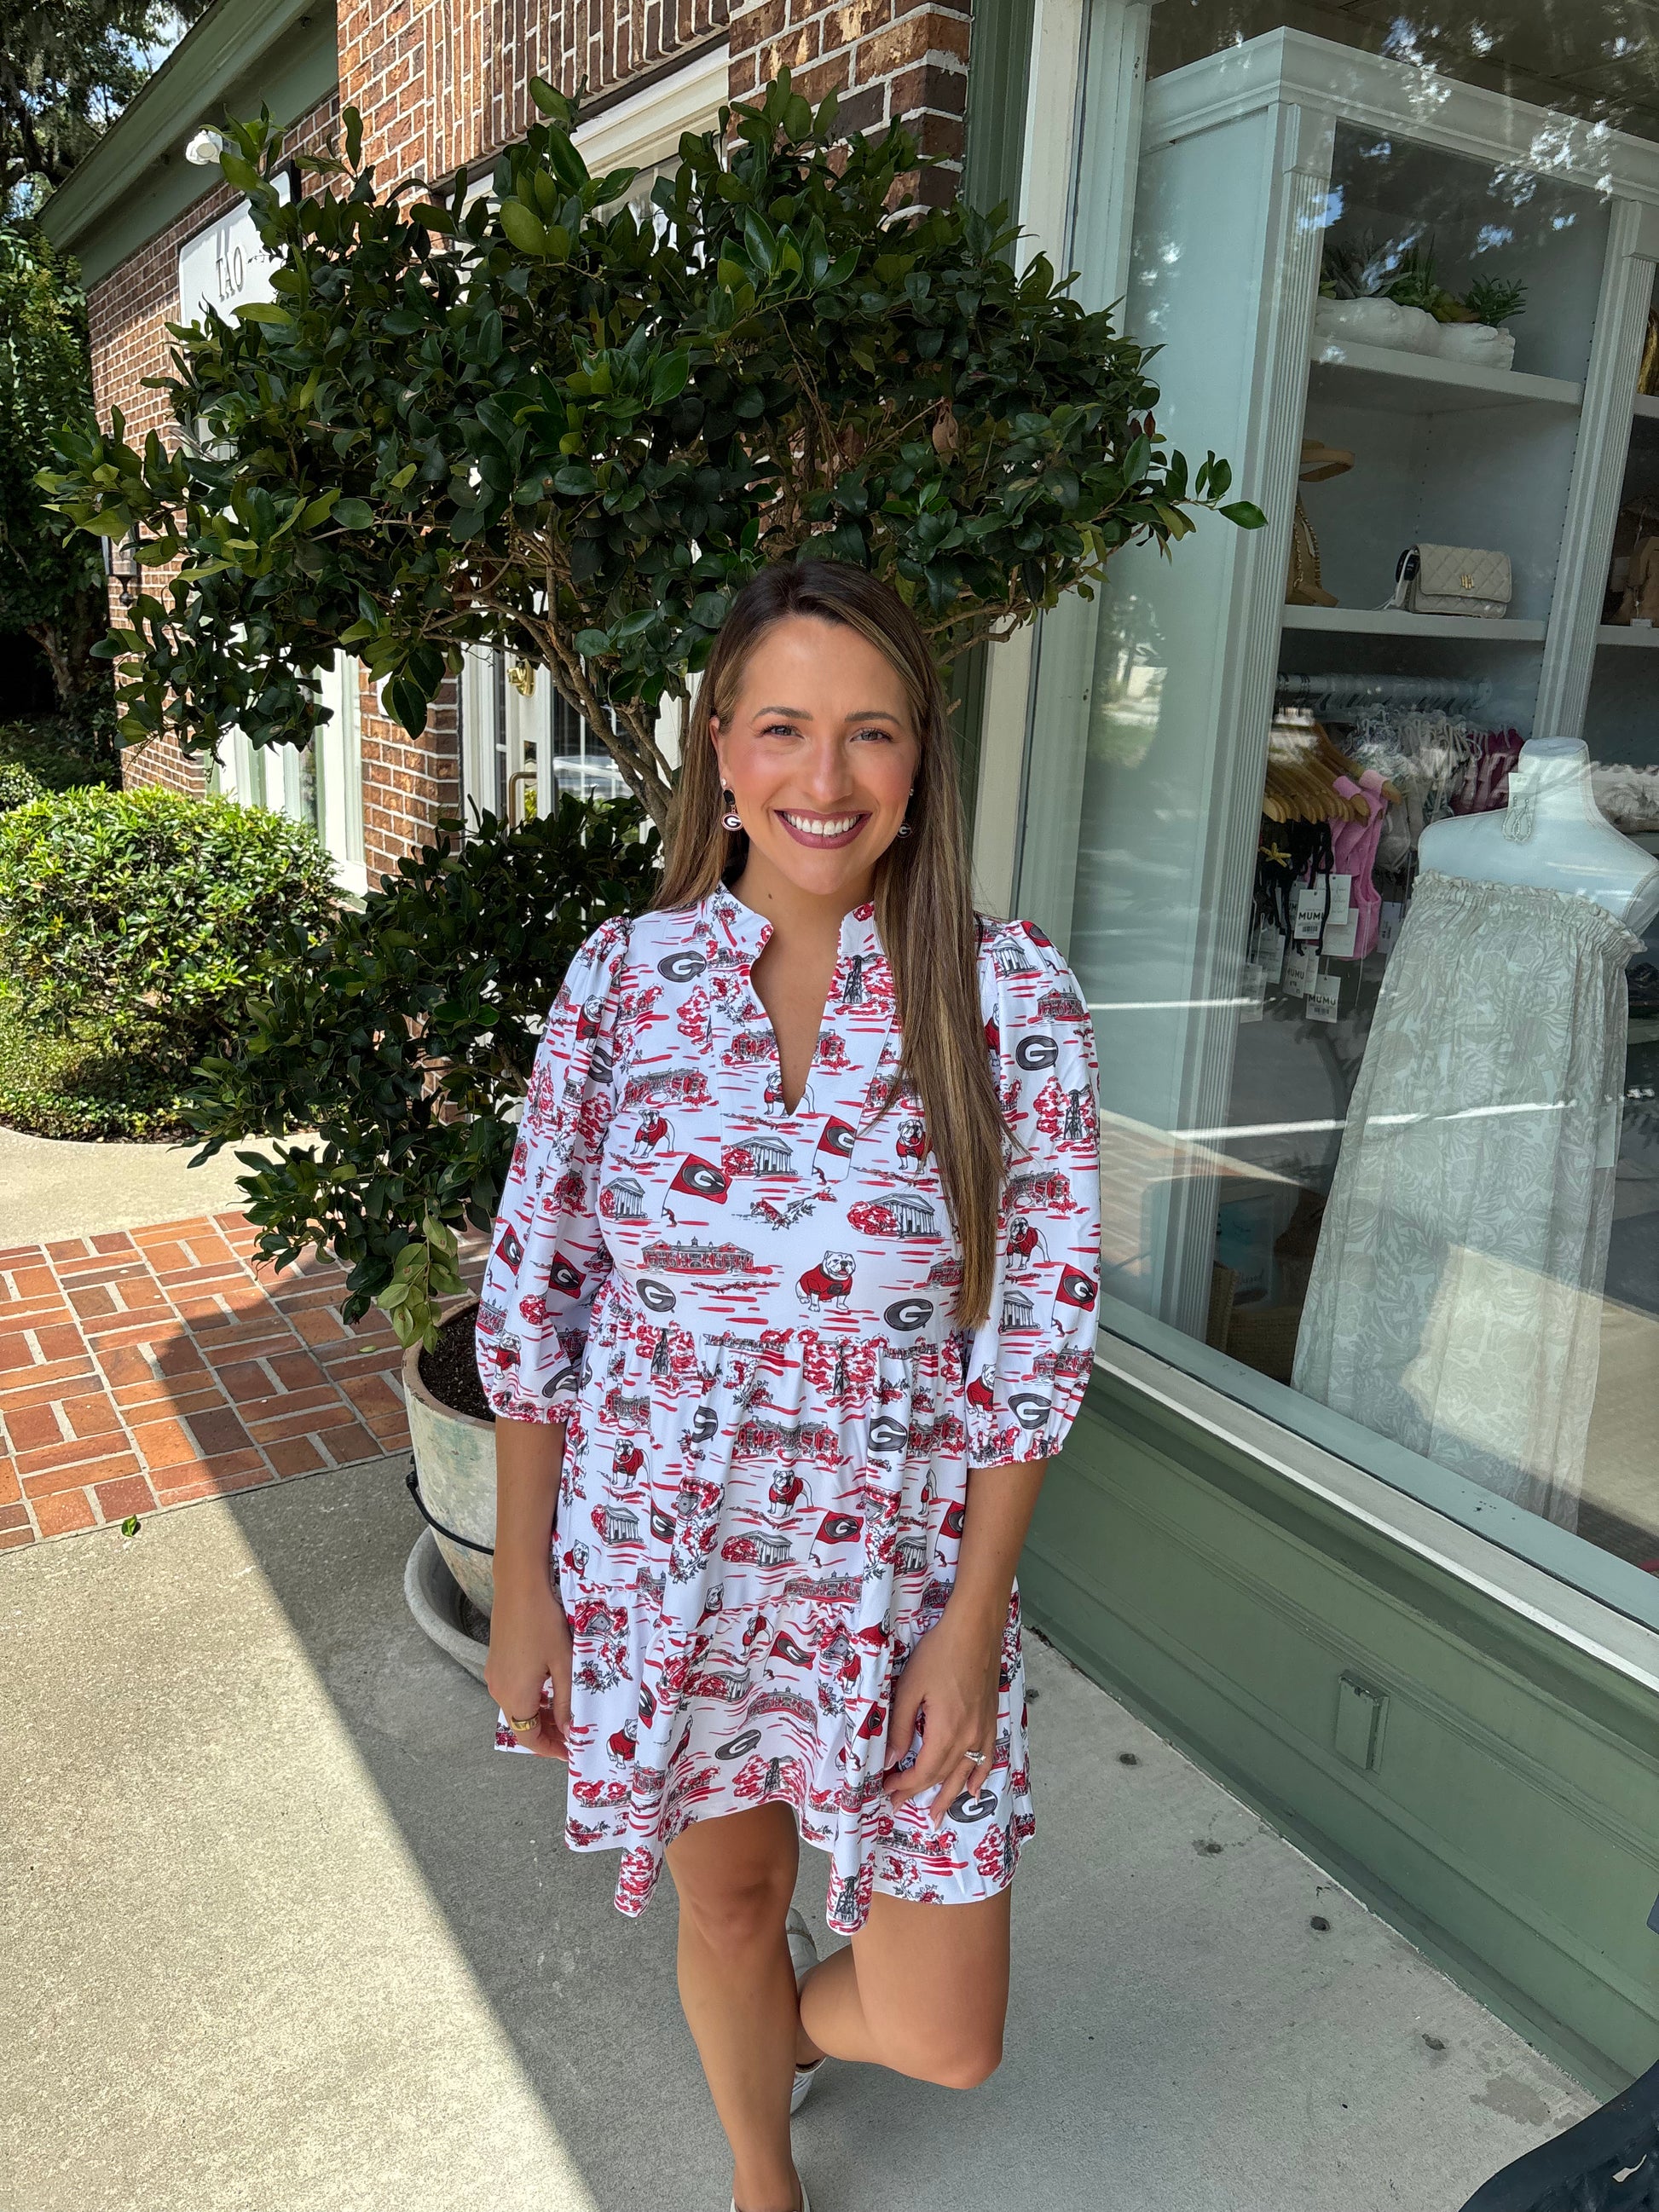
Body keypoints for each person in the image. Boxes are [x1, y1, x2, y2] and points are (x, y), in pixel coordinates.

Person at [478, 559, 1101, 2212]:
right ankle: (762, 2174)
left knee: (944, 2025)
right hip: (668, 1557)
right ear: (720, 747)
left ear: (920, 760)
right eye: (783, 727)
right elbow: (539, 1299)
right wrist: (525, 1582)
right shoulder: (624, 980)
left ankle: (804, 2036)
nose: (824, 780)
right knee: (732, 1904)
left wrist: (967, 1629)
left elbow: (1032, 1343)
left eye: (869, 733)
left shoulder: (1009, 993)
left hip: (894, 1578)